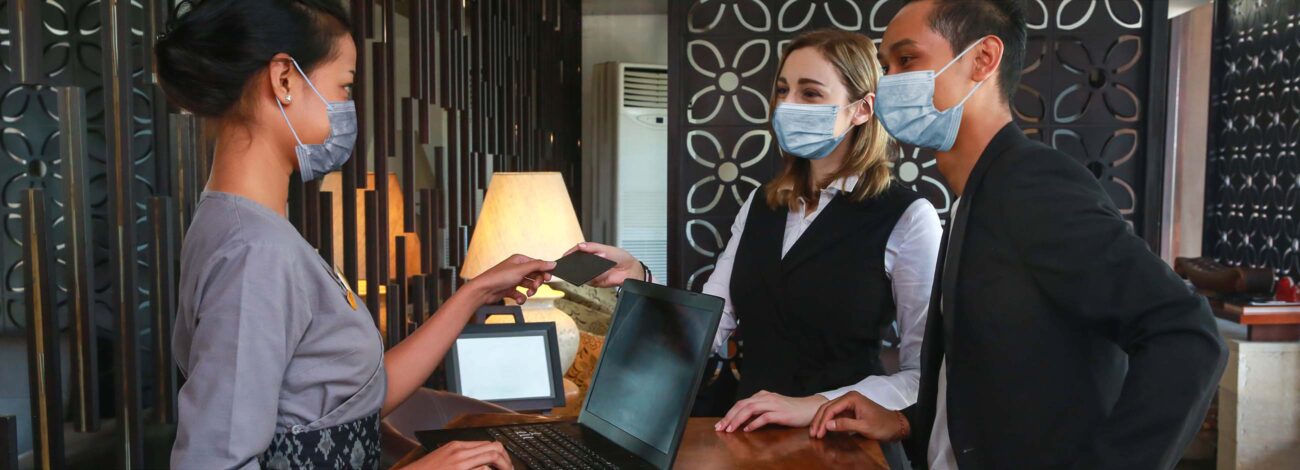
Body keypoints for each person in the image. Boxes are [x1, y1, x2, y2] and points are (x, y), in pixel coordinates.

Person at [808, 1, 1228, 469]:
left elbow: (1186, 333)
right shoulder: (976, 192)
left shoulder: (1032, 185)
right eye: (885, 66)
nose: (888, 82)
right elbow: (1003, 376)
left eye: (906, 61)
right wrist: (906, 419)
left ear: (983, 59)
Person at [157, 1, 549, 468]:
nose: (346, 109)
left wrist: (473, 294)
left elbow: (350, 400)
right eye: (343, 87)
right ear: (284, 79)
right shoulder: (254, 252)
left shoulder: (248, 227)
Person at [569, 29, 941, 441]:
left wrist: (814, 404)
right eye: (783, 90)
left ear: (862, 110)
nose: (787, 104)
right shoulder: (761, 206)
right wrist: (642, 278)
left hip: (842, 442)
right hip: (747, 434)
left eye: (810, 93)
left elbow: (922, 374)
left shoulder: (908, 217)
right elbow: (711, 326)